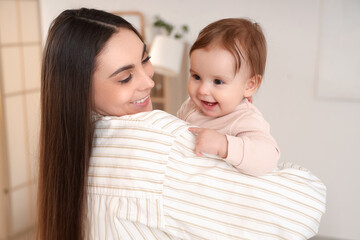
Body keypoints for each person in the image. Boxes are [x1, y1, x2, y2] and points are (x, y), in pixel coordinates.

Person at [38, 8, 326, 240]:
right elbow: (299, 211)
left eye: (145, 60)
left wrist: (228, 146)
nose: (149, 81)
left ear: (250, 85)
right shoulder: (161, 142)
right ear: (78, 88)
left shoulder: (70, 148)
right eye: (125, 78)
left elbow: (266, 156)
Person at [178, 18, 280, 176]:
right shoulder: (190, 106)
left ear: (249, 85)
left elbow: (268, 158)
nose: (203, 90)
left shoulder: (244, 118)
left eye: (218, 81)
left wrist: (224, 145)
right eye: (196, 77)